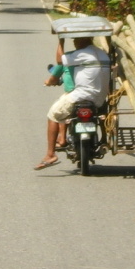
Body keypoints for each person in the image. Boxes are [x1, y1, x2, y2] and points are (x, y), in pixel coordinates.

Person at [35, 36, 110, 170]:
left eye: (76, 39)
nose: (74, 42)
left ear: (83, 40)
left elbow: (60, 61)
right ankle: (102, 139)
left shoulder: (81, 54)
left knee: (53, 114)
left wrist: (61, 41)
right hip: (99, 98)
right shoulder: (103, 54)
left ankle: (50, 154)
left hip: (81, 95)